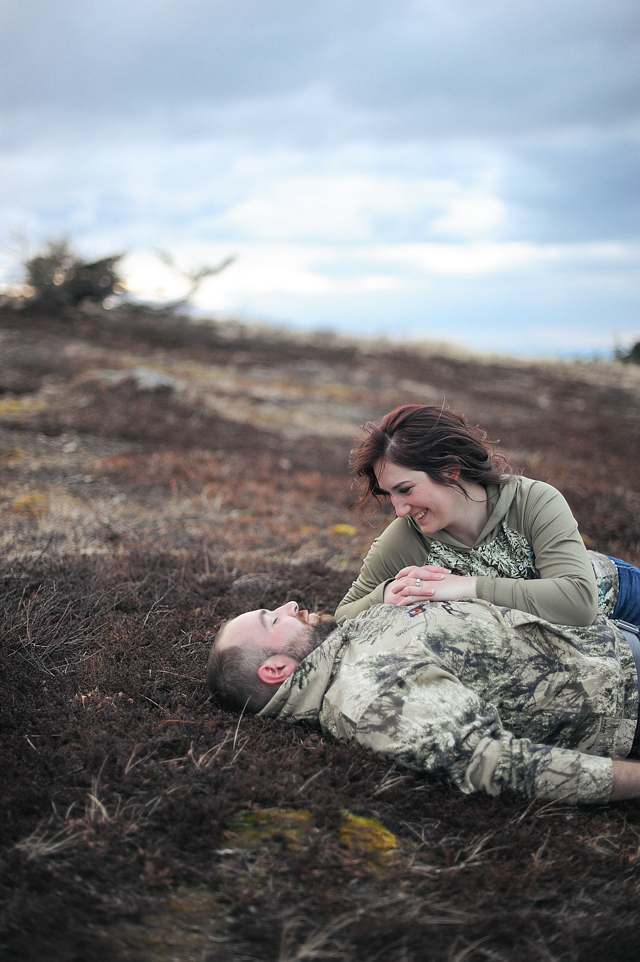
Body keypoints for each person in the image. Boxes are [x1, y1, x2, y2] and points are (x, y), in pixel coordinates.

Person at [207, 598, 640, 805]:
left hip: (608, 634)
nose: (289, 605)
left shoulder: (338, 646)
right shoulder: (367, 698)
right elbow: (502, 764)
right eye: (273, 619)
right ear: (277, 670)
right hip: (624, 690)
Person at [336, 404, 640, 630]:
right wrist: (386, 594)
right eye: (390, 494)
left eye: (405, 490)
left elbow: (578, 602)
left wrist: (465, 587)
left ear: (449, 470)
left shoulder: (534, 500)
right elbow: (343, 616)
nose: (399, 510)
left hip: (619, 595)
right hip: (594, 644)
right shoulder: (405, 538)